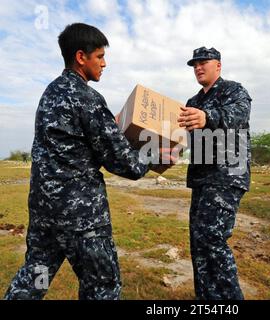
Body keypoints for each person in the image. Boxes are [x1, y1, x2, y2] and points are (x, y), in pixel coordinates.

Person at [4, 23, 174, 300]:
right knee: (102, 287)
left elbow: (79, 144)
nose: (104, 63)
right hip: (81, 219)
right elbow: (124, 163)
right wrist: (154, 153)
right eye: (99, 57)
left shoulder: (50, 93)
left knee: (34, 279)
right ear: (81, 57)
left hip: (45, 213)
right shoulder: (87, 98)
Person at [178, 47, 251, 300]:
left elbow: (238, 116)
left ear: (218, 66)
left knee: (212, 239)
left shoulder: (234, 90)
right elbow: (186, 138)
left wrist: (208, 117)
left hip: (227, 175)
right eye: (194, 64)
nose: (198, 67)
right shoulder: (193, 102)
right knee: (198, 243)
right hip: (201, 178)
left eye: (203, 63)